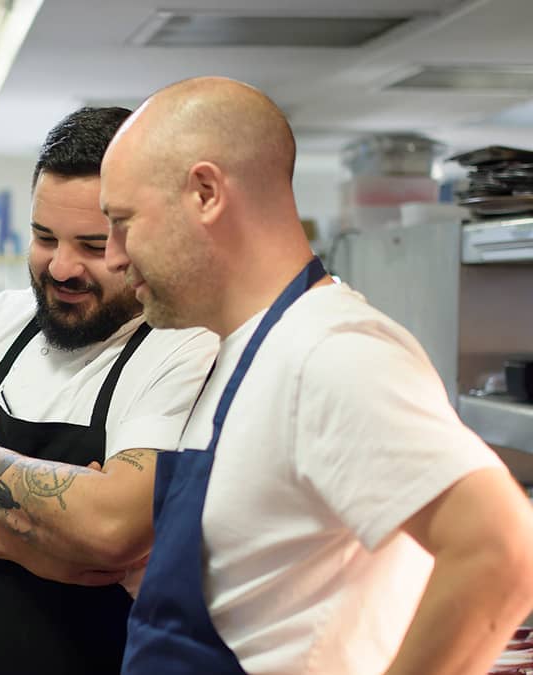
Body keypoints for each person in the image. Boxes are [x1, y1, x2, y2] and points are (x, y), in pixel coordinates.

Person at [99, 76, 533, 674]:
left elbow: (501, 551)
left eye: (123, 221)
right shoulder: (245, 350)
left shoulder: (330, 352)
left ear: (205, 193)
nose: (114, 256)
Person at [0, 106, 219, 675]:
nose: (61, 267)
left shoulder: (182, 345)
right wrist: (35, 548)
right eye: (43, 236)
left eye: (92, 244)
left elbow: (110, 529)